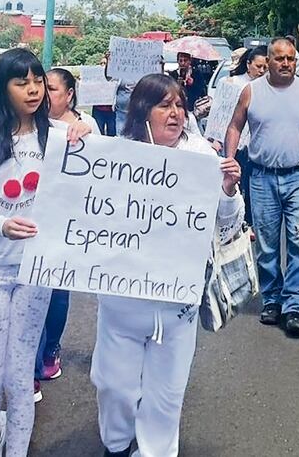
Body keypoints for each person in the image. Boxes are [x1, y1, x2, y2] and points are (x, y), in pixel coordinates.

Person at [92, 73, 242, 457]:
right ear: (143, 110)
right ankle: (117, 443)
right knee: (114, 384)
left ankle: (156, 451)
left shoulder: (202, 157)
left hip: (176, 302)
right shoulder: (115, 156)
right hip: (122, 301)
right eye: (164, 105)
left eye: (179, 104)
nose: (175, 113)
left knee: (166, 393)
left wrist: (227, 192)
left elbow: (226, 225)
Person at [0, 48, 91, 457]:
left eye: (38, 81)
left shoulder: (57, 136)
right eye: (22, 82)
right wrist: (1, 224)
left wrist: (87, 136)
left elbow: (96, 179)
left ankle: (15, 450)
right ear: (3, 89)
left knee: (18, 379)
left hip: (38, 271)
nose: (34, 89)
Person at [224, 37, 299, 338]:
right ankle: (272, 300)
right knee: (267, 245)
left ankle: (294, 306)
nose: (286, 64)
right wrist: (229, 160)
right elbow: (234, 126)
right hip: (262, 178)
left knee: (298, 241)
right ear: (267, 61)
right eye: (280, 59)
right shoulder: (251, 92)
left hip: (298, 177)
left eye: (291, 59)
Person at [34, 68, 99, 398]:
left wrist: (87, 133)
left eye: (53, 89)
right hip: (33, 218)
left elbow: (102, 169)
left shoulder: (87, 125)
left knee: (57, 291)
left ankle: (50, 349)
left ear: (70, 94)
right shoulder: (31, 124)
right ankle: (29, 363)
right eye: (42, 88)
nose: (46, 95)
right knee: (33, 288)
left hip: (67, 222)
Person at [220, 46, 268, 225]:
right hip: (235, 145)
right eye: (258, 66)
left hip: (256, 145)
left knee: (252, 186)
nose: (261, 71)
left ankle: (248, 222)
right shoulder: (231, 84)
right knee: (233, 183)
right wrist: (215, 139)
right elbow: (221, 115)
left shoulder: (268, 88)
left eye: (265, 67)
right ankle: (231, 221)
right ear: (248, 64)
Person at [91, 52, 118, 136]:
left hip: (111, 110)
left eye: (105, 63)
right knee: (98, 132)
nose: (103, 65)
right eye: (101, 63)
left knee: (112, 132)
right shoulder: (95, 77)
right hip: (98, 110)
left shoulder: (115, 77)